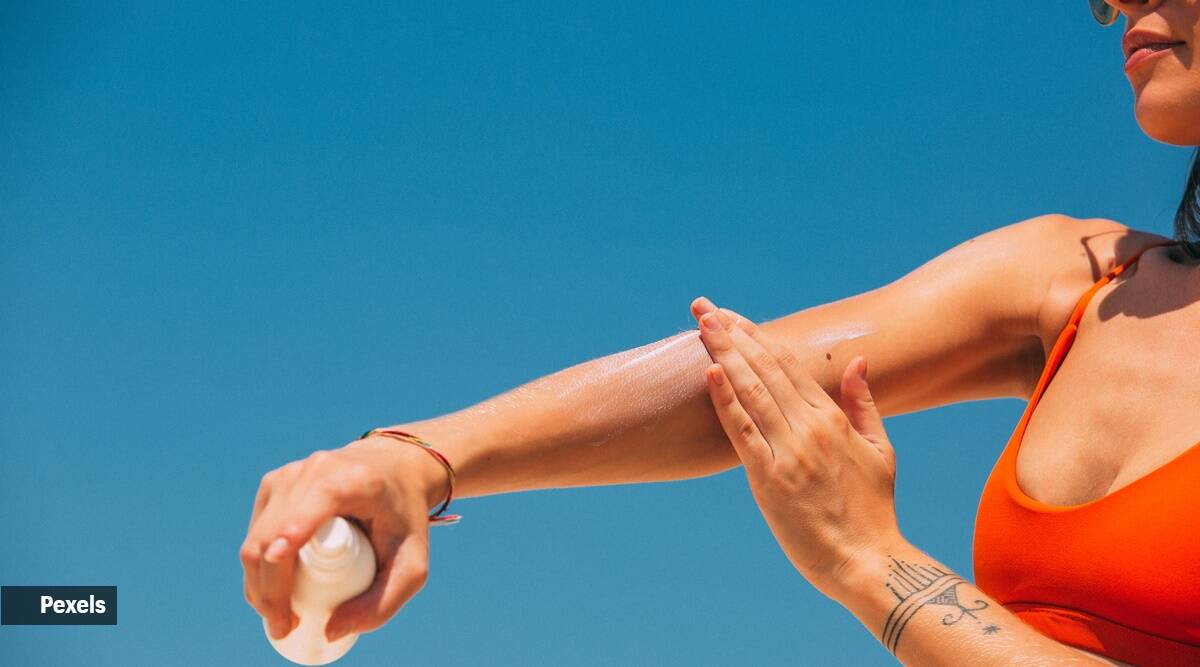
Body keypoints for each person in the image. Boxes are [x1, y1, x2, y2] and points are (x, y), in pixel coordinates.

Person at [240, 1, 1200, 664]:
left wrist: (871, 564)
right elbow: (741, 386)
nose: (1117, 5)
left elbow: (855, 541)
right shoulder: (1080, 279)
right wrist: (419, 457)